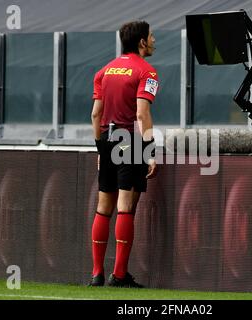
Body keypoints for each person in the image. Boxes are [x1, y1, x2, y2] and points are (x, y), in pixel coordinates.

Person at [90, 20, 159, 288]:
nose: (154, 40)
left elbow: (95, 113)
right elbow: (142, 114)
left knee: (103, 207)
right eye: (151, 36)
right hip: (130, 140)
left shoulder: (104, 71)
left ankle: (96, 273)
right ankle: (118, 276)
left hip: (107, 139)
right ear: (141, 42)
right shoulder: (147, 72)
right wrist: (150, 152)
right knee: (125, 207)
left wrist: (100, 148)